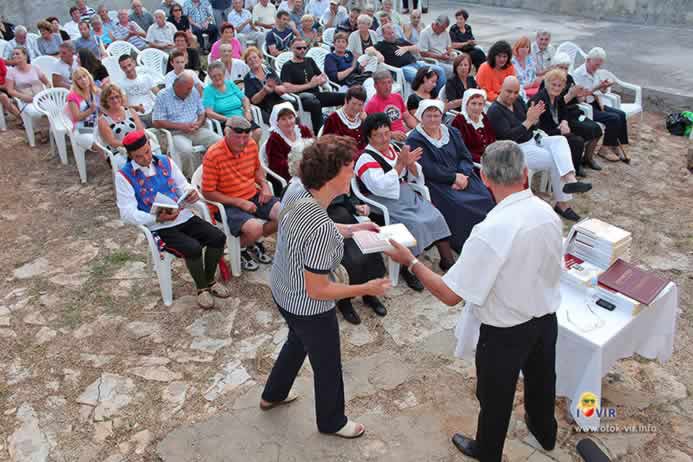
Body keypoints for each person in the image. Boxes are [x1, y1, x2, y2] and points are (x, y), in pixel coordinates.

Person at [384, 140, 563, 462]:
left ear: (485, 178)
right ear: (524, 174)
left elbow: (450, 294)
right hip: (546, 318)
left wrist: (410, 261)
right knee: (542, 381)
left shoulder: (490, 229)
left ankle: (488, 451)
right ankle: (545, 432)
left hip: (506, 329)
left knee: (494, 396)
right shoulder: (546, 212)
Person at [261, 135, 390, 438]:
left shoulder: (296, 190)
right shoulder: (320, 229)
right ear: (331, 175)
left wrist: (354, 228)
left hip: (282, 288)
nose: (354, 174)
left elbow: (317, 223)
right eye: (349, 169)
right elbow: (318, 289)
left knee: (297, 340)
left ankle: (273, 394)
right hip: (308, 304)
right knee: (328, 363)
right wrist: (366, 288)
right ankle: (332, 421)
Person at [115, 130, 230, 309]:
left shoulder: (164, 161)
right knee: (192, 248)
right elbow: (127, 212)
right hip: (158, 226)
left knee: (217, 237)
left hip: (182, 215)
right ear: (130, 155)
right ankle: (202, 289)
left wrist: (191, 193)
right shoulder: (124, 176)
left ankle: (209, 281)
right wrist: (155, 217)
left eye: (147, 152)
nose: (146, 158)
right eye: (139, 156)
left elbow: (182, 185)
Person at [283, 140, 387, 325]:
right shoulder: (300, 194)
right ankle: (345, 301)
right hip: (330, 225)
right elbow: (316, 223)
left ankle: (368, 295)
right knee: (350, 261)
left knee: (370, 252)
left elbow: (345, 200)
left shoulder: (324, 182)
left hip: (342, 218)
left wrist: (356, 218)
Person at [356, 113, 455, 289]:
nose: (384, 138)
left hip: (405, 194)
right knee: (415, 224)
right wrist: (401, 164)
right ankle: (407, 268)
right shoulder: (365, 158)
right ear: (369, 137)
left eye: (387, 133)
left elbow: (414, 173)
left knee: (435, 215)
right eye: (378, 135)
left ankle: (447, 260)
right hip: (383, 201)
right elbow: (379, 186)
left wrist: (410, 165)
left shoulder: (393, 148)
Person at [487, 76, 592, 221]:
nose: (512, 96)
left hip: (533, 139)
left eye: (516, 92)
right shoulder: (495, 111)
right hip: (515, 149)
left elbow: (530, 123)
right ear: (501, 89)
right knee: (555, 159)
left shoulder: (517, 102)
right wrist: (529, 121)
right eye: (508, 92)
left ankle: (571, 179)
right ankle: (563, 204)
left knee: (560, 140)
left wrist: (534, 120)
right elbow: (509, 137)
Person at [406, 99, 495, 252]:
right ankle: (466, 244)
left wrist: (463, 175)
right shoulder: (415, 139)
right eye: (429, 116)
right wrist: (453, 178)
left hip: (463, 176)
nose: (433, 119)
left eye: (437, 115)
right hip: (437, 182)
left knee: (486, 196)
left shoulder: (452, 132)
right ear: (421, 116)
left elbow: (465, 156)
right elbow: (428, 168)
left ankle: (486, 237)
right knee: (459, 204)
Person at [202, 116, 279, 270]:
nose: (243, 142)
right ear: (226, 134)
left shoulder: (251, 144)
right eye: (238, 137)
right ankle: (240, 249)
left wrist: (264, 185)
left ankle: (252, 242)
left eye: (246, 137)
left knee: (285, 214)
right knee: (255, 228)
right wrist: (239, 202)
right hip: (227, 204)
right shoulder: (213, 154)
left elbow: (257, 169)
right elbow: (207, 192)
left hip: (252, 193)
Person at [540, 52, 603, 171]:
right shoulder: (548, 81)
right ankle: (576, 163)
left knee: (597, 129)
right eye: (561, 67)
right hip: (561, 115)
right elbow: (554, 105)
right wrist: (571, 94)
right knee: (582, 134)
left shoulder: (569, 78)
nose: (564, 70)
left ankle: (588, 158)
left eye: (566, 68)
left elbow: (579, 100)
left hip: (574, 111)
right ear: (553, 67)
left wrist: (581, 95)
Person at [153, 71, 222, 176]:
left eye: (191, 88)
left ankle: (216, 172)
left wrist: (198, 123)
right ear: (177, 86)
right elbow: (157, 122)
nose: (190, 91)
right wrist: (181, 126)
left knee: (219, 141)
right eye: (188, 89)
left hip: (195, 129)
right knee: (186, 151)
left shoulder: (193, 91)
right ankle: (192, 178)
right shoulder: (163, 96)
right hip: (176, 133)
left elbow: (201, 112)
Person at [572, 47, 630, 163]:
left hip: (596, 102)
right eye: (595, 65)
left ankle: (614, 144)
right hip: (585, 105)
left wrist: (604, 87)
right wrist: (597, 87)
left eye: (599, 65)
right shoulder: (578, 74)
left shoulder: (595, 72)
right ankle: (604, 148)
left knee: (621, 114)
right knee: (613, 118)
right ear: (588, 60)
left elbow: (600, 92)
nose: (597, 68)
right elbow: (580, 97)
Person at [280, 38, 345, 132]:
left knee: (345, 97)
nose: (302, 50)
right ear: (292, 49)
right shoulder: (287, 66)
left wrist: (321, 80)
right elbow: (287, 87)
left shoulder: (309, 61)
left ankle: (342, 126)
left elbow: (323, 77)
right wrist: (310, 85)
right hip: (301, 98)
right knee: (315, 104)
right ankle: (320, 133)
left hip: (317, 94)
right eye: (299, 48)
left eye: (304, 48)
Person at [530, 69, 586, 176]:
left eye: (559, 85)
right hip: (541, 134)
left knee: (580, 134)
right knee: (576, 141)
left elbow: (564, 111)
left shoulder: (558, 97)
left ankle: (573, 169)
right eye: (553, 85)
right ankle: (568, 173)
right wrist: (560, 130)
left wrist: (564, 122)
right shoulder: (539, 100)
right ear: (547, 84)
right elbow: (538, 127)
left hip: (556, 129)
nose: (556, 88)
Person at [375, 23, 446, 95]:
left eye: (393, 32)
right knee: (420, 77)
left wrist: (406, 48)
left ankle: (438, 95)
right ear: (384, 35)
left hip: (417, 63)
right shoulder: (381, 45)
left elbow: (418, 48)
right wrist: (377, 53)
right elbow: (368, 50)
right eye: (389, 34)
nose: (392, 35)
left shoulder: (400, 40)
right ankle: (429, 97)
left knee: (440, 70)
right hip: (403, 68)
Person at [203, 61, 260, 142]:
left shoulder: (230, 84)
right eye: (214, 76)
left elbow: (244, 99)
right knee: (239, 138)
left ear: (224, 73)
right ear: (210, 77)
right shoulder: (208, 90)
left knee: (257, 132)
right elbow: (209, 113)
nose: (217, 78)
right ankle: (243, 153)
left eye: (219, 75)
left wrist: (247, 111)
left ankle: (250, 153)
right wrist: (226, 119)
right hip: (225, 122)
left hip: (242, 117)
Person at [98, 83, 145, 168]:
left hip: (137, 145)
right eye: (111, 98)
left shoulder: (130, 111)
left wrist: (138, 145)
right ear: (105, 101)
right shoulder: (103, 120)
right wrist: (132, 145)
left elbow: (140, 131)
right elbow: (112, 142)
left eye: (117, 96)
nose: (115, 100)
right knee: (133, 165)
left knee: (149, 157)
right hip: (117, 151)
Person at [364, 70, 417, 142]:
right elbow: (373, 130)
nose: (387, 87)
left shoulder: (397, 97)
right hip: (387, 140)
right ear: (375, 86)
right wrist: (391, 134)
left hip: (404, 135)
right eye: (383, 83)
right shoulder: (372, 104)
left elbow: (407, 117)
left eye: (389, 82)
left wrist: (419, 129)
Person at [266, 102, 314, 181]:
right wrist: (300, 165)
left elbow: (314, 148)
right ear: (277, 122)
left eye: (290, 117)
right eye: (283, 119)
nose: (288, 122)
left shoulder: (303, 130)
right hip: (287, 176)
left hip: (308, 168)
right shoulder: (274, 139)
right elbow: (276, 166)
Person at [5, 48, 50, 127]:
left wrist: (47, 93)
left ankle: (53, 131)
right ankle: (38, 129)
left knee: (55, 109)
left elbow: (47, 83)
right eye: (13, 54)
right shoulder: (11, 72)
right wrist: (23, 97)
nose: (14, 56)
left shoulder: (35, 68)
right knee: (35, 113)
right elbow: (10, 90)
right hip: (26, 100)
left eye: (17, 54)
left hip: (42, 98)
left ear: (25, 56)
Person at [66, 67, 104, 158]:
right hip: (82, 127)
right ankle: (111, 164)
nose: (83, 80)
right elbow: (77, 117)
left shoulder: (96, 91)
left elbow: (104, 108)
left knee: (111, 137)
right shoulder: (72, 96)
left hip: (97, 122)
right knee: (98, 145)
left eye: (84, 76)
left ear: (89, 77)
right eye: (79, 78)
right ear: (76, 82)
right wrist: (90, 110)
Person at [243, 46, 287, 123]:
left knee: (290, 115)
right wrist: (264, 91)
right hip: (263, 108)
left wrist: (275, 88)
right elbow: (253, 100)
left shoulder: (269, 71)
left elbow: (282, 89)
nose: (253, 60)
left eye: (254, 57)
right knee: (278, 121)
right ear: (247, 63)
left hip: (277, 102)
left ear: (260, 58)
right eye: (249, 59)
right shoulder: (247, 78)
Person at [451, 89, 496, 163]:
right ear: (466, 104)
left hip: (491, 157)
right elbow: (461, 150)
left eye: (480, 104)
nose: (477, 108)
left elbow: (492, 138)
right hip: (473, 163)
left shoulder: (483, 117)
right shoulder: (459, 121)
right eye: (473, 103)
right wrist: (483, 159)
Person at [118, 54, 159, 125]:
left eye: (129, 65)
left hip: (152, 112)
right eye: (124, 67)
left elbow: (158, 93)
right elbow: (125, 105)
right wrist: (136, 108)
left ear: (134, 63)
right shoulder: (121, 84)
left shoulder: (146, 77)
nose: (128, 69)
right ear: (121, 68)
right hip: (136, 116)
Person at [0, 57, 22, 124]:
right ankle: (23, 119)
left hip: (6, 84)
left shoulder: (0, 61)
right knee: (4, 97)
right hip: (2, 88)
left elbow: (7, 74)